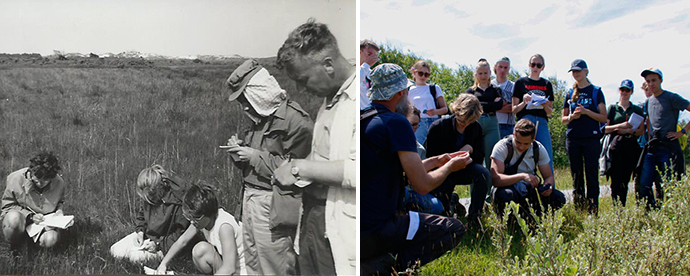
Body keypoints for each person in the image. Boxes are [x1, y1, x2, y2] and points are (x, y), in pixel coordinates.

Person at [361, 63, 467, 274]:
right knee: (452, 229)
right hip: (378, 227)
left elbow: (393, 169)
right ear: (401, 93)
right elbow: (421, 185)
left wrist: (437, 160)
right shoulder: (397, 122)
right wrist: (450, 167)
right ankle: (386, 269)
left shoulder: (364, 119)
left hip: (356, 227)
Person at [273, 19, 356, 275]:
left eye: (303, 78)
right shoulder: (329, 98)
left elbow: (357, 170)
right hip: (313, 216)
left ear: (328, 65)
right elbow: (325, 155)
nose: (300, 88)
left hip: (338, 223)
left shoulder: (357, 101)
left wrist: (300, 168)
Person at [224, 58, 313, 275]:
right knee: (252, 264)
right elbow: (255, 162)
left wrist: (253, 155)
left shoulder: (297, 122)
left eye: (245, 98)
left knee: (274, 266)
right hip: (249, 200)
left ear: (259, 92)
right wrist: (239, 151)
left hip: (274, 203)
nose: (244, 106)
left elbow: (297, 171)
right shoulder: (259, 117)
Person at [425, 93, 491, 224]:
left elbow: (480, 156)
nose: (464, 125)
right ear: (455, 111)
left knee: (483, 174)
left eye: (469, 122)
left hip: (465, 169)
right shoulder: (438, 127)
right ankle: (452, 202)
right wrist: (450, 160)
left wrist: (470, 149)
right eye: (461, 121)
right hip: (442, 171)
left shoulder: (476, 127)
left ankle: (474, 217)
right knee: (441, 213)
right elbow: (430, 158)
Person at [156, 184, 245, 275]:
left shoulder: (224, 227)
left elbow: (229, 268)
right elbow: (182, 241)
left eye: (195, 219)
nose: (192, 222)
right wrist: (163, 263)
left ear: (206, 214)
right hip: (230, 266)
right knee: (200, 250)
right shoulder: (203, 221)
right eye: (189, 218)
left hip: (243, 270)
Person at [110, 165, 192, 263]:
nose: (149, 200)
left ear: (159, 188)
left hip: (165, 246)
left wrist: (158, 244)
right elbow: (142, 216)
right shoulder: (151, 195)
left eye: (150, 196)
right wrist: (140, 232)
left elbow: (180, 235)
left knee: (134, 257)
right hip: (148, 238)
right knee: (114, 250)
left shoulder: (177, 202)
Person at [490, 119, 565, 218]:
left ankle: (538, 219)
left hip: (529, 189)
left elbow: (548, 176)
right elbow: (496, 179)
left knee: (558, 198)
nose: (521, 147)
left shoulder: (538, 149)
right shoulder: (502, 147)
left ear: (533, 138)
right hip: (508, 188)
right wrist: (522, 176)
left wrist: (548, 186)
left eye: (526, 144)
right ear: (513, 134)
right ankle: (510, 222)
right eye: (518, 142)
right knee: (506, 195)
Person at [638, 68, 690, 209]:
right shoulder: (648, 101)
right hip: (653, 146)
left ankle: (672, 213)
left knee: (669, 185)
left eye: (654, 80)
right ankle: (652, 213)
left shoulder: (671, 97)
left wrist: (683, 132)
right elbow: (648, 120)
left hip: (669, 146)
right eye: (648, 81)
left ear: (661, 80)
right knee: (644, 183)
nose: (651, 84)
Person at [561, 59, 607, 214]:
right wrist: (572, 117)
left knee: (591, 175)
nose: (575, 74)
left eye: (578, 70)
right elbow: (563, 119)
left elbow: (603, 117)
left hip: (591, 138)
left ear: (586, 71)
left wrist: (586, 112)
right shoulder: (569, 92)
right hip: (573, 138)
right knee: (576, 176)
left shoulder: (596, 91)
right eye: (573, 71)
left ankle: (593, 211)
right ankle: (579, 210)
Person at [2, 151, 65, 248]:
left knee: (50, 239)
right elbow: (7, 206)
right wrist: (30, 217)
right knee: (13, 219)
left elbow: (59, 202)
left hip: (43, 224)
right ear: (31, 171)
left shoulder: (59, 183)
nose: (40, 183)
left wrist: (59, 213)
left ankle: (35, 249)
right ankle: (13, 247)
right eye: (37, 179)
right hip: (21, 220)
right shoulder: (15, 178)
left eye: (46, 180)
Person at [512, 54, 555, 173]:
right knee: (522, 152)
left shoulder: (547, 84)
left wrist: (545, 104)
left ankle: (550, 187)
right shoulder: (520, 82)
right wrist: (524, 102)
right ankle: (521, 184)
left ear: (543, 67)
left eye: (538, 65)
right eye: (533, 64)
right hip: (525, 119)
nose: (535, 67)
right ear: (529, 65)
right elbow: (514, 109)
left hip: (541, 120)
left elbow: (550, 112)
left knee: (546, 153)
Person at [604, 79, 644, 206]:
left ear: (631, 92)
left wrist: (630, 131)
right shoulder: (612, 108)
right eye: (622, 89)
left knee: (626, 180)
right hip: (616, 146)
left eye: (627, 90)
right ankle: (617, 208)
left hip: (631, 146)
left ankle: (623, 206)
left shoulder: (636, 109)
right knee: (615, 179)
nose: (624, 92)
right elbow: (604, 129)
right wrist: (618, 128)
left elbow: (641, 131)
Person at [465, 59, 504, 168]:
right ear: (476, 74)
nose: (483, 76)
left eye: (485, 73)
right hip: (475, 122)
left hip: (492, 123)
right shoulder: (471, 91)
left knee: (492, 156)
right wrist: (491, 104)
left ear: (490, 73)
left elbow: (499, 105)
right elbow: (468, 106)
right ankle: (475, 184)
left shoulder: (496, 89)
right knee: (474, 156)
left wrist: (478, 103)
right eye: (480, 73)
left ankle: (492, 184)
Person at [408, 60, 448, 145]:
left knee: (434, 149)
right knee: (418, 149)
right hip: (417, 124)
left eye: (426, 74)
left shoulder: (434, 88)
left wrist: (435, 111)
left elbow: (445, 109)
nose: (423, 77)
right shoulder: (409, 90)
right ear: (414, 73)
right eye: (420, 73)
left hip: (434, 121)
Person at [493, 57, 516, 139]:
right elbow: (483, 106)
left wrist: (494, 106)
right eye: (500, 67)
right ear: (496, 67)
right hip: (492, 124)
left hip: (508, 125)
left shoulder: (513, 86)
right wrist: (503, 105)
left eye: (505, 68)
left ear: (508, 69)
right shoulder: (490, 85)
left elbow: (513, 107)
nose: (502, 70)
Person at [360, 39, 380, 109]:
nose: (372, 58)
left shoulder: (370, 73)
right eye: (369, 54)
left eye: (374, 56)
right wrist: (366, 64)